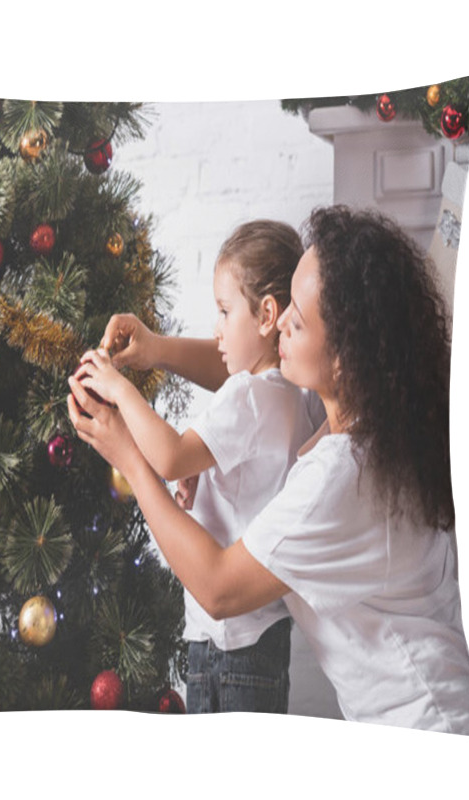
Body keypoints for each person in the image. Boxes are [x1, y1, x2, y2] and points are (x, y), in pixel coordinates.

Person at [68, 205, 469, 734]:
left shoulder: (341, 476)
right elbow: (247, 375)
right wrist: (158, 351)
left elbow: (218, 589)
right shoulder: (355, 414)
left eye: (299, 319)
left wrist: (127, 453)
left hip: (425, 729)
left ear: (345, 355)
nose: (280, 320)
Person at [75, 220, 324, 714]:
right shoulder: (286, 394)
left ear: (266, 315)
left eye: (225, 311)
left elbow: (168, 457)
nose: (215, 329)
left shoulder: (252, 394)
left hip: (229, 648)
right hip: (252, 640)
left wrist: (118, 389)